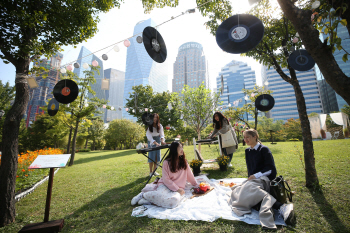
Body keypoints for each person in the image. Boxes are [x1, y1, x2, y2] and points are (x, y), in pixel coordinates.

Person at [228, 129, 296, 230]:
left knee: (249, 189)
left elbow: (270, 169)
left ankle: (281, 207)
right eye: (244, 137)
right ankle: (278, 207)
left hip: (265, 179)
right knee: (238, 190)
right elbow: (250, 169)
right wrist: (251, 178)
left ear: (255, 137)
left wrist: (256, 176)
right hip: (254, 181)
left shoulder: (263, 149)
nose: (245, 140)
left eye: (248, 137)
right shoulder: (248, 151)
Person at [131, 141, 199, 208]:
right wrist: (177, 189)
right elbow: (166, 179)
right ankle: (142, 195)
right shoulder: (166, 162)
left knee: (174, 201)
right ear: (174, 149)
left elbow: (190, 175)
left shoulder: (184, 162)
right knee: (160, 195)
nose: (182, 150)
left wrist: (196, 185)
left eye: (182, 147)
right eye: (180, 147)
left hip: (178, 188)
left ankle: (149, 201)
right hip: (165, 185)